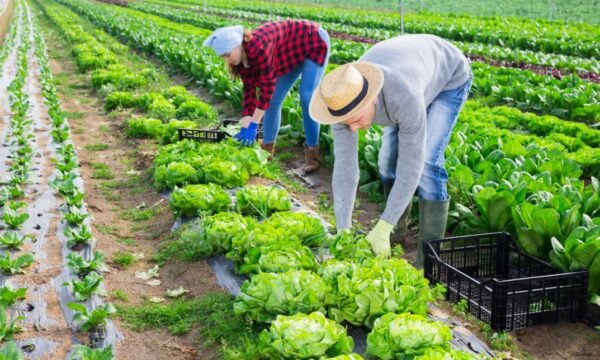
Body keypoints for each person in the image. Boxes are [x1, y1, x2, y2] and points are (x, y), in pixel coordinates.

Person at [309, 34, 472, 267]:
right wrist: (343, 227)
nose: (352, 128)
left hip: (449, 76)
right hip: (412, 71)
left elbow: (411, 165)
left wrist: (383, 223)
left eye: (356, 120)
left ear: (371, 99)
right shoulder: (341, 104)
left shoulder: (403, 97)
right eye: (347, 123)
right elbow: (345, 169)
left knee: (427, 164)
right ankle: (395, 231)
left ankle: (427, 261)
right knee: (386, 162)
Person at [203, 20, 330, 173]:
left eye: (227, 55)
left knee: (306, 97)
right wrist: (245, 125)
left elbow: (266, 89)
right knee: (274, 100)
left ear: (238, 45)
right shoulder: (242, 60)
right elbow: (249, 91)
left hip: (312, 41)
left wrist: (254, 125)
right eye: (223, 57)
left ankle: (312, 153)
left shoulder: (259, 48)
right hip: (289, 52)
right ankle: (267, 151)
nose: (227, 60)